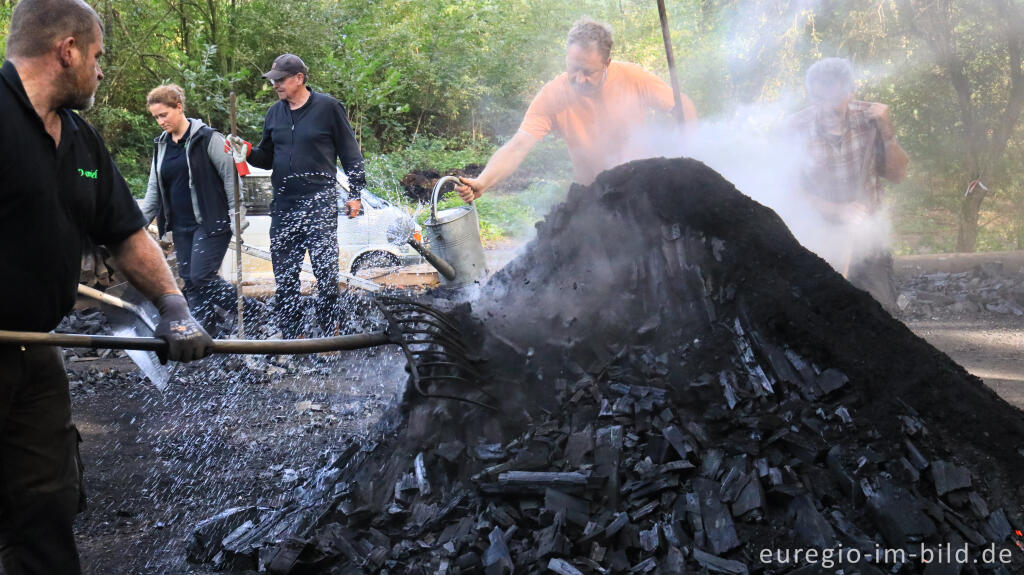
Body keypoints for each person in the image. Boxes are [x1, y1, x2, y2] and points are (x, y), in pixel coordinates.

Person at [0, 0, 212, 572]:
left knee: (46, 498)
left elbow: (126, 233)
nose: (101, 69)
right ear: (66, 50)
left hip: (34, 348)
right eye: (96, 55)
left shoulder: (81, 141)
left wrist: (173, 306)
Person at [455, 18, 697, 202]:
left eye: (588, 72)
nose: (579, 79)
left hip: (641, 188)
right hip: (590, 195)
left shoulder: (633, 78)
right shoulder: (553, 95)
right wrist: (483, 183)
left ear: (606, 64)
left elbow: (682, 106)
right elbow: (519, 145)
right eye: (573, 69)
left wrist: (685, 146)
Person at [226, 54, 365, 339]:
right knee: (285, 275)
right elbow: (267, 158)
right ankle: (293, 336)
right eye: (273, 80)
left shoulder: (328, 108)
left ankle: (330, 332)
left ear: (299, 78)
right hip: (284, 204)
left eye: (280, 79)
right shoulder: (274, 113)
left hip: (318, 201)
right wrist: (248, 151)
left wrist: (356, 192)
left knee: (325, 273)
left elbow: (351, 154)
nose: (275, 84)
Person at [789, 57, 909, 312]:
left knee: (880, 313)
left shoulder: (871, 120)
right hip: (816, 237)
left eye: (834, 101)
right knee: (818, 311)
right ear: (811, 96)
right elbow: (789, 191)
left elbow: (897, 175)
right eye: (819, 99)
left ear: (850, 93)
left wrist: (888, 133)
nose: (827, 108)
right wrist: (836, 210)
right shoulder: (796, 129)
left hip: (867, 237)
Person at [141, 84, 256, 336]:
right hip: (180, 226)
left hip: (211, 221)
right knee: (189, 282)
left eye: (164, 115)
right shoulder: (161, 145)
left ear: (179, 107)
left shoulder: (208, 138)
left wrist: (238, 218)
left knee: (201, 276)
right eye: (156, 117)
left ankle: (252, 311)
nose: (160, 121)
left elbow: (231, 179)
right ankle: (208, 337)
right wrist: (135, 225)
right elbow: (153, 191)